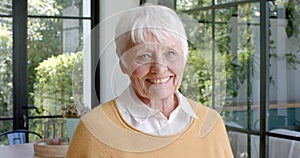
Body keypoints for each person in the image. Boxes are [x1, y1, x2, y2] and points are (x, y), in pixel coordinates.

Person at [67, 3, 233, 158]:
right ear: (123, 64)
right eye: (144, 56)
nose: (159, 68)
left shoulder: (211, 124)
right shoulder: (94, 129)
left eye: (170, 54)